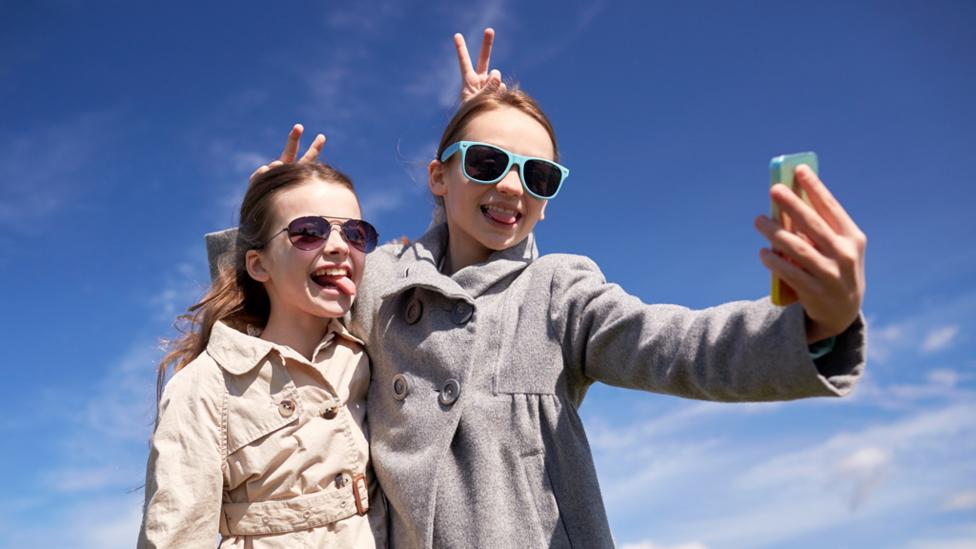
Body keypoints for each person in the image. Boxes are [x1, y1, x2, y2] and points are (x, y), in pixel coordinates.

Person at [209, 29, 867, 548]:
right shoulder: (380, 276)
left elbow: (676, 345)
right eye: (489, 162)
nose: (512, 188)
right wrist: (268, 223)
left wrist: (817, 324)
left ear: (549, 200)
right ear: (439, 177)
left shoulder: (558, 291)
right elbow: (271, 316)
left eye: (538, 175)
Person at [141, 162, 387, 548]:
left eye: (357, 233)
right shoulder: (206, 385)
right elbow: (176, 537)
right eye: (309, 231)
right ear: (258, 264)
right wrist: (261, 208)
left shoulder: (371, 349)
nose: (340, 246)